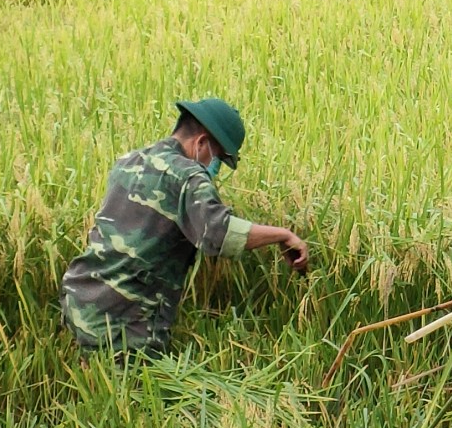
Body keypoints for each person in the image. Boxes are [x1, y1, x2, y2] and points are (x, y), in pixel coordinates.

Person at [60, 97, 309, 357]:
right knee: (137, 393)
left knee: (98, 386)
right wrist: (283, 234)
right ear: (201, 143)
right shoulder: (188, 175)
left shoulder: (129, 160)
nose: (215, 167)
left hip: (81, 296)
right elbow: (217, 234)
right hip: (123, 319)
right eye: (219, 158)